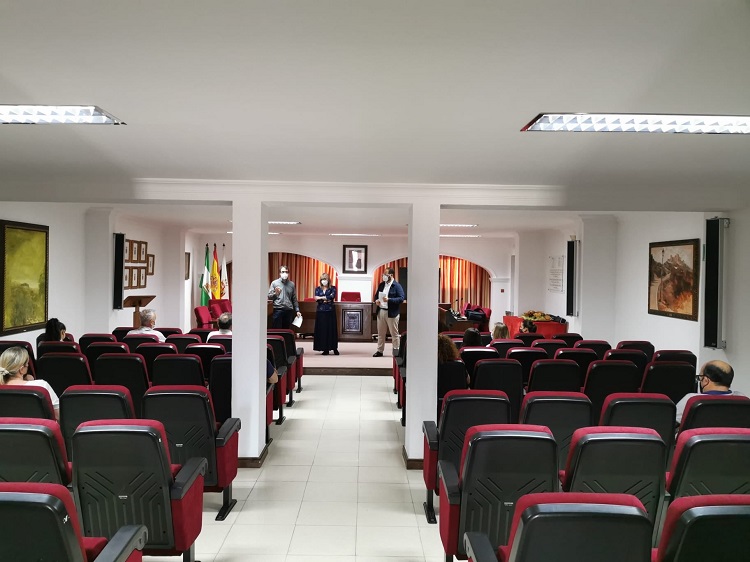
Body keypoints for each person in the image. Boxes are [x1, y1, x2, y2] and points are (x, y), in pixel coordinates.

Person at [675, 360, 745, 424]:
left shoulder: (691, 399)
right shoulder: (742, 399)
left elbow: (672, 422)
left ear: (706, 380)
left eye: (700, 377)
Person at [0, 346, 59, 418]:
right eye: (27, 365)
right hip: (37, 425)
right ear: (22, 369)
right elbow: (58, 415)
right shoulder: (41, 386)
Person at [373, 267, 405, 357]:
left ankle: (396, 351)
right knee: (381, 333)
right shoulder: (381, 285)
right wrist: (376, 301)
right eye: (383, 275)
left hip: (392, 313)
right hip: (381, 311)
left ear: (391, 275)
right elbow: (376, 296)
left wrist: (389, 300)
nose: (384, 276)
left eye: (386, 275)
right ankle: (380, 350)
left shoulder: (397, 286)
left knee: (394, 334)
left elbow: (401, 298)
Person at [268, 265, 301, 329]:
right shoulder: (274, 283)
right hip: (278, 310)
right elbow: (269, 296)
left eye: (286, 272)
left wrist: (297, 310)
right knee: (276, 330)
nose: (285, 273)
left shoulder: (291, 284)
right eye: (283, 272)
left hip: (288, 310)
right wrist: (276, 294)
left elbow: (294, 299)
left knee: (286, 330)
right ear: (280, 273)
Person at [313, 272, 338, 355]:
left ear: (328, 280)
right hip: (321, 312)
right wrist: (325, 299)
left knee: (331, 330)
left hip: (330, 311)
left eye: (325, 279)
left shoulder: (333, 288)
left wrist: (321, 298)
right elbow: (316, 299)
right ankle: (325, 349)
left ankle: (334, 348)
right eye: (322, 279)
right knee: (323, 331)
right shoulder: (317, 289)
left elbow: (332, 296)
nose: (324, 281)